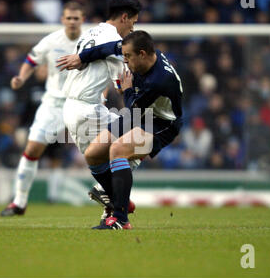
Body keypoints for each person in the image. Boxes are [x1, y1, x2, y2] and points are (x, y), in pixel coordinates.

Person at [58, 31, 183, 229]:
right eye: (123, 55)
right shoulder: (143, 52)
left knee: (118, 150)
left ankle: (120, 218)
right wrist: (81, 57)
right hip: (143, 114)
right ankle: (119, 199)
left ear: (142, 53)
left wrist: (126, 90)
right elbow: (106, 49)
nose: (124, 61)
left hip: (160, 124)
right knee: (93, 154)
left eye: (127, 57)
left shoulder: (159, 80)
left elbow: (132, 111)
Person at [58, 0, 142, 225]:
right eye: (133, 22)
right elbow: (121, 80)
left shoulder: (91, 33)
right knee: (142, 138)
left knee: (105, 158)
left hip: (78, 107)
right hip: (86, 111)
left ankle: (111, 208)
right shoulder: (115, 41)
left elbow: (95, 70)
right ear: (124, 17)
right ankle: (109, 196)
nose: (132, 28)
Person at [0, 2, 86, 216]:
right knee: (32, 150)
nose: (72, 22)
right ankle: (19, 202)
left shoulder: (92, 41)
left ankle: (116, 203)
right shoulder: (51, 41)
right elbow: (31, 60)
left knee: (102, 151)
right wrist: (21, 77)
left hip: (83, 103)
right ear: (62, 20)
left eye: (76, 18)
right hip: (54, 104)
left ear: (82, 19)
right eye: (69, 18)